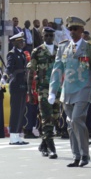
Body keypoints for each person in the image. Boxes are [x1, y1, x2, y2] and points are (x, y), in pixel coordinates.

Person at [48, 16, 91, 167]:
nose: (72, 32)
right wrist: (52, 91)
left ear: (82, 30)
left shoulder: (90, 47)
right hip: (67, 91)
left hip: (83, 90)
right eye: (70, 29)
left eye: (75, 29)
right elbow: (57, 69)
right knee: (70, 124)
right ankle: (76, 155)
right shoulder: (63, 47)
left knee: (77, 119)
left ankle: (85, 154)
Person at [28, 27, 60, 159]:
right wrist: (30, 91)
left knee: (55, 117)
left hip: (57, 89)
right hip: (43, 89)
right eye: (46, 35)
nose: (49, 38)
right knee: (47, 117)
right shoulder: (38, 51)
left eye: (51, 35)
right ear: (42, 36)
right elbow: (31, 71)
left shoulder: (59, 50)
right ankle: (52, 148)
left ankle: (43, 144)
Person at [1, 32, 29, 145]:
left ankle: (18, 134)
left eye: (22, 41)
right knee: (15, 111)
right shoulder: (12, 54)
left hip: (23, 84)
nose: (22, 43)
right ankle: (13, 135)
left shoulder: (22, 54)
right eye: (19, 41)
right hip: (16, 84)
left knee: (21, 111)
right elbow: (8, 68)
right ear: (14, 42)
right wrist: (4, 77)